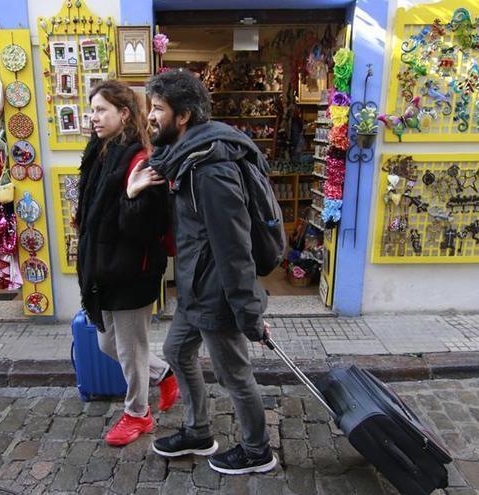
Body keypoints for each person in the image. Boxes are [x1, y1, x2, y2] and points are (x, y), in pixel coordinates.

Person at [145, 70, 277, 475]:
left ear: (183, 116)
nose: (150, 116)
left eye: (157, 109)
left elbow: (234, 248)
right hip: (195, 285)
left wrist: (248, 312)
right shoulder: (187, 157)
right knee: (176, 351)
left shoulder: (210, 168)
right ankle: (198, 430)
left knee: (233, 373)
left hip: (217, 291)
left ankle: (258, 451)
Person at [75, 80, 179, 447]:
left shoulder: (141, 159)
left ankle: (138, 414)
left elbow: (144, 228)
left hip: (133, 268)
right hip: (103, 266)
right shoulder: (100, 151)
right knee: (107, 344)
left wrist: (133, 194)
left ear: (123, 113)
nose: (94, 117)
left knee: (129, 348)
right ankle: (164, 373)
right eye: (92, 110)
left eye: (101, 110)